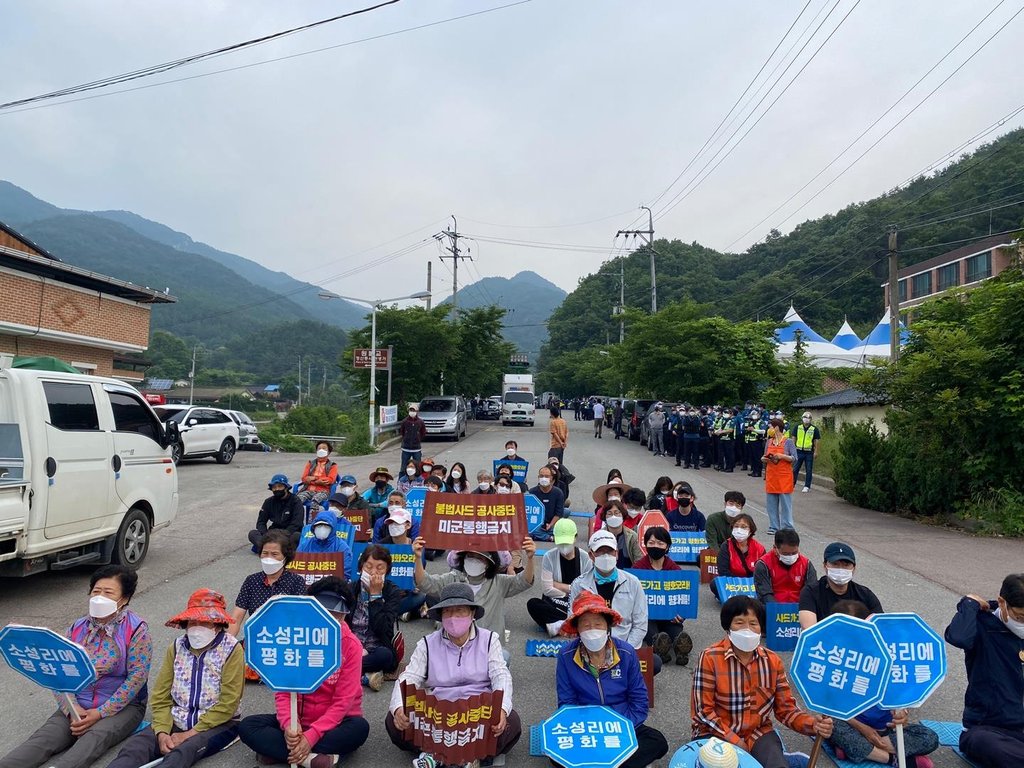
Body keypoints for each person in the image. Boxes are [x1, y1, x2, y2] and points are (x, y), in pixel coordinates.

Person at [0, 566, 151, 768]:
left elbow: (137, 678)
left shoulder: (136, 630)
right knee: (44, 739)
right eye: (96, 591)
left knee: (94, 737)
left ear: (124, 599)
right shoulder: (78, 627)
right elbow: (57, 669)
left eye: (108, 593)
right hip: (77, 702)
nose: (100, 597)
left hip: (123, 706)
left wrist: (100, 712)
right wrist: (71, 708)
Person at [104, 589, 243, 768]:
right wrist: (162, 732)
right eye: (193, 621)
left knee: (183, 752)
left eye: (205, 622)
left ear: (217, 624)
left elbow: (229, 703)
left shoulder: (231, 649)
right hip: (177, 718)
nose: (197, 626)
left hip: (219, 723)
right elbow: (161, 696)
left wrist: (188, 734)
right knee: (135, 748)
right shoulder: (177, 647)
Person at [238, 580, 369, 768]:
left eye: (335, 614)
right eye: (322, 613)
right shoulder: (294, 638)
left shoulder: (351, 645)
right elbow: (283, 690)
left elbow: (343, 701)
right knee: (248, 726)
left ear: (343, 616)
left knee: (359, 729)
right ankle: (311, 759)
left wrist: (311, 737)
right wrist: (289, 725)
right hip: (298, 720)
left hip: (336, 723)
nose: (328, 619)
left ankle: (283, 753)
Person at [385, 583, 521, 764]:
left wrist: (502, 709)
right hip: (439, 715)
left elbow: (501, 676)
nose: (453, 617)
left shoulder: (489, 640)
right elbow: (408, 677)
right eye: (448, 612)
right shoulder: (427, 643)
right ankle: (468, 757)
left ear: (472, 614)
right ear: (441, 616)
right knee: (393, 722)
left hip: (476, 715)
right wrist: (399, 708)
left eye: (460, 611)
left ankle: (439, 756)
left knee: (511, 722)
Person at [691, 595, 833, 768]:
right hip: (716, 734)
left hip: (757, 733)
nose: (747, 629)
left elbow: (786, 710)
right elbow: (703, 712)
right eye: (739, 622)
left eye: (753, 623)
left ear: (761, 628)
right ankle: (790, 760)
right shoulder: (710, 657)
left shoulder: (772, 661)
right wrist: (737, 742)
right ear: (728, 626)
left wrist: (814, 725)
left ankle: (785, 760)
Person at [555, 591, 669, 768]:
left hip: (622, 724)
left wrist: (620, 728)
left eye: (598, 624)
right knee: (555, 757)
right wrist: (591, 732)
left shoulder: (626, 652)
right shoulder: (566, 656)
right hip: (587, 729)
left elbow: (639, 700)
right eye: (586, 625)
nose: (592, 630)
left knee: (657, 741)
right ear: (577, 629)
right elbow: (567, 704)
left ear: (608, 627)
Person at [828, 600, 939, 767]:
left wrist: (901, 716)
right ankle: (893, 759)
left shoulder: (889, 659)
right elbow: (831, 706)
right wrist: (863, 729)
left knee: (929, 737)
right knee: (833, 726)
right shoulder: (833, 658)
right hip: (852, 725)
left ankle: (862, 751)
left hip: (885, 732)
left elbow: (900, 702)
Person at [944, 572, 1024, 767]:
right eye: (1020, 617)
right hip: (986, 728)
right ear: (1002, 603)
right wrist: (969, 604)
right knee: (986, 744)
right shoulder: (983, 625)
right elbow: (958, 637)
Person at [412, 535, 535, 640]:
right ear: (463, 558)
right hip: (451, 645)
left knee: (504, 657)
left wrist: (530, 558)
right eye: (470, 556)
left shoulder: (499, 583)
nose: (474, 561)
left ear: (489, 564)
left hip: (488, 648)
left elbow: (524, 581)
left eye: (481, 558)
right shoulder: (452, 578)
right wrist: (417, 558)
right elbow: (425, 582)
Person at [568, 530, 652, 671]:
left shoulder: (633, 583)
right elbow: (572, 622)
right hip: (589, 645)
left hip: (624, 645)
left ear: (617, 554)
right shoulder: (579, 584)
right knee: (568, 663)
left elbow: (640, 625)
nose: (606, 556)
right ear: (591, 555)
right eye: (600, 552)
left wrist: (625, 650)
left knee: (654, 664)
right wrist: (590, 647)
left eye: (610, 551)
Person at [337, 548, 403, 691]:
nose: (373, 572)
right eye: (369, 566)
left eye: (380, 568)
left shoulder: (393, 592)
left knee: (385, 656)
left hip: (377, 646)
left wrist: (375, 596)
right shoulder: (350, 589)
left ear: (387, 571)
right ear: (361, 567)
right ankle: (364, 677)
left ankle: (342, 672)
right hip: (351, 645)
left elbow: (383, 629)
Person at [228, 530, 307, 642]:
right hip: (258, 639)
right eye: (265, 553)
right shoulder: (251, 581)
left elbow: (300, 618)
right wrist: (226, 645)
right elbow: (236, 617)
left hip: (286, 640)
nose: (269, 558)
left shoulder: (296, 581)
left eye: (275, 554)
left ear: (285, 557)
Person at [633, 526, 694, 666]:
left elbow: (682, 597)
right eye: (651, 542)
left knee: (675, 630)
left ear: (667, 547)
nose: (655, 546)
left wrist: (681, 614)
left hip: (669, 616)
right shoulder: (638, 569)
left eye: (660, 543)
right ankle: (660, 648)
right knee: (650, 631)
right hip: (648, 616)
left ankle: (681, 650)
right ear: (646, 545)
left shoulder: (675, 570)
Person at [527, 518, 594, 636]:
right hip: (556, 600)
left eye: (567, 542)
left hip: (578, 602)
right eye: (561, 543)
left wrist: (557, 585)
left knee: (590, 607)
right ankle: (573, 623)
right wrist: (571, 591)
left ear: (575, 537)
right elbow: (547, 589)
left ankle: (560, 625)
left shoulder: (585, 558)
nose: (564, 546)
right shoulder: (549, 556)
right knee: (533, 604)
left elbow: (588, 589)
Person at [798, 542, 883, 629]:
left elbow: (881, 626)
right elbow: (810, 631)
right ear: (825, 565)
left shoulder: (865, 595)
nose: (840, 569)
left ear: (854, 568)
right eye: (835, 564)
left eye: (846, 565)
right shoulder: (810, 592)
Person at [754, 528, 817, 604]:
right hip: (772, 607)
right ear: (775, 548)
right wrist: (779, 610)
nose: (791, 556)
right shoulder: (763, 565)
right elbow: (765, 593)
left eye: (794, 553)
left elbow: (812, 590)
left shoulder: (806, 564)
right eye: (786, 554)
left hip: (800, 607)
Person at [712, 513, 766, 601]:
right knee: (715, 583)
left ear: (751, 531)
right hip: (732, 583)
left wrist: (749, 584)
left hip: (752, 584)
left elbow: (763, 574)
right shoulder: (726, 546)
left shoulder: (759, 549)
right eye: (736, 526)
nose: (739, 530)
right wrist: (740, 583)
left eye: (744, 527)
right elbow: (723, 571)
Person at [248, 473, 304, 550]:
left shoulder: (296, 501)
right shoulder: (268, 502)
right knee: (252, 533)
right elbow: (261, 522)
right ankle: (274, 548)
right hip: (273, 533)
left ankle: (269, 548)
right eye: (274, 487)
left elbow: (297, 523)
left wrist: (282, 536)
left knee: (297, 536)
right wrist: (265, 534)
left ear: (286, 487)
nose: (277, 489)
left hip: (289, 533)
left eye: (280, 486)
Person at [762, 416, 797, 534]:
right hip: (772, 476)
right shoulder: (769, 441)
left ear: (777, 428)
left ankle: (787, 527)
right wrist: (765, 459)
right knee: (771, 505)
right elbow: (764, 455)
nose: (769, 429)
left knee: (786, 505)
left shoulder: (788, 442)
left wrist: (782, 456)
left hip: (784, 477)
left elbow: (794, 458)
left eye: (771, 426)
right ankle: (773, 526)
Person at [593, 500, 643, 567]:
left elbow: (638, 561)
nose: (613, 516)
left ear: (622, 515)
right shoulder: (599, 536)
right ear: (605, 517)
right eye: (609, 514)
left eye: (616, 513)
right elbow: (594, 559)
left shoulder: (633, 536)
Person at [296, 441, 339, 513]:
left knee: (315, 501)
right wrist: (317, 481)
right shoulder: (310, 463)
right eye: (319, 448)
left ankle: (312, 521)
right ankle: (296, 520)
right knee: (298, 499)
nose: (321, 450)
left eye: (324, 448)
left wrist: (313, 478)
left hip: (323, 492)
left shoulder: (333, 465)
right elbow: (304, 478)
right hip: (308, 490)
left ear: (328, 452)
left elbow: (330, 480)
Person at [529, 464, 566, 541]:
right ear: (538, 478)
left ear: (552, 478)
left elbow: (558, 513)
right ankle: (550, 538)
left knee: (565, 530)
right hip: (537, 525)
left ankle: (540, 536)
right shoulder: (532, 493)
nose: (544, 478)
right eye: (541, 476)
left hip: (553, 524)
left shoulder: (558, 492)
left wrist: (551, 524)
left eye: (546, 476)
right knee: (529, 531)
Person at [791, 411, 821, 493]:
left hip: (809, 452)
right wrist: (793, 449)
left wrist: (816, 452)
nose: (806, 419)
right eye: (805, 417)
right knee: (795, 469)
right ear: (802, 418)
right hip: (798, 451)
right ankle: (792, 484)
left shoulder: (814, 429)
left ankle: (807, 486)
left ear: (811, 419)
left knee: (809, 470)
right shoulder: (798, 427)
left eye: (809, 417)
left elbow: (816, 441)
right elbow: (794, 438)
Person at [398, 405, 426, 470]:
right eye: (411, 410)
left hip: (416, 449)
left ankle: (418, 479)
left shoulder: (420, 422)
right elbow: (402, 432)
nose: (412, 412)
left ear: (417, 412)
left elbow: (423, 432)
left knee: (418, 467)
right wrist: (406, 438)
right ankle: (401, 479)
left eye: (414, 410)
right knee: (403, 467)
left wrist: (418, 439)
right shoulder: (405, 421)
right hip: (406, 448)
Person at [745, 409, 768, 478]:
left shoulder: (761, 422)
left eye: (756, 414)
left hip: (757, 442)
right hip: (751, 441)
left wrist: (753, 430)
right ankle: (754, 471)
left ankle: (758, 472)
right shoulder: (752, 422)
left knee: (757, 457)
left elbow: (763, 431)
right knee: (752, 457)